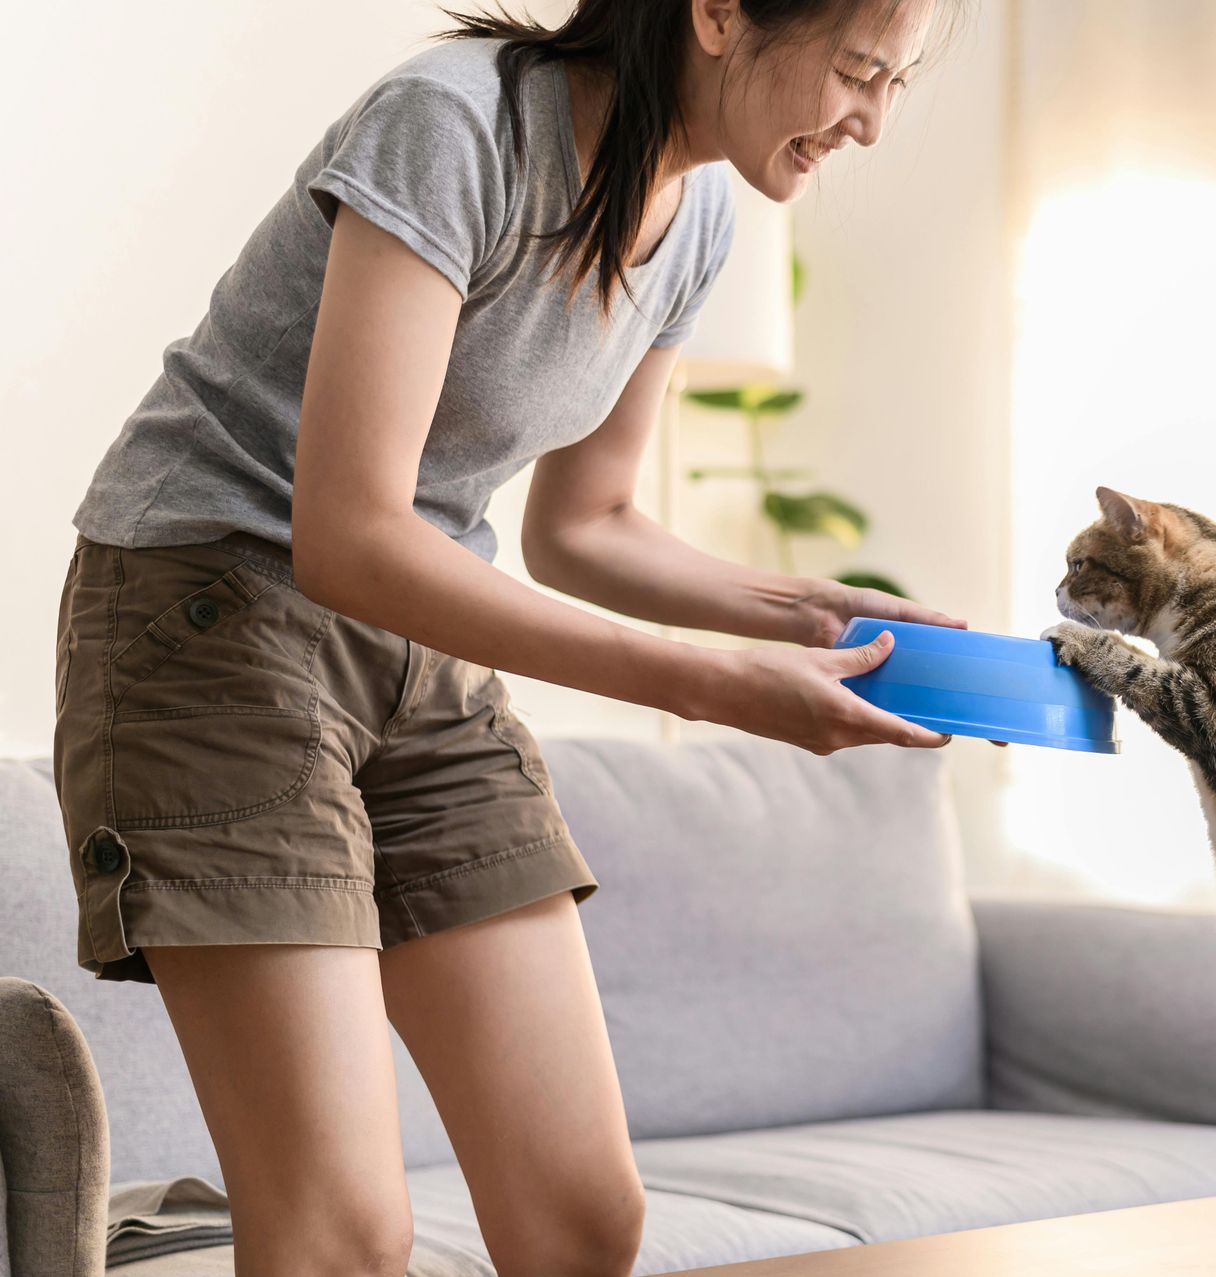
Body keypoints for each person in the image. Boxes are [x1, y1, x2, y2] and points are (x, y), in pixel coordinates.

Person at [49, 1, 961, 1273]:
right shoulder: (456, 120)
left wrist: (807, 614)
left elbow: (584, 524)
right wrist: (712, 681)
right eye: (862, 70)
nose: (871, 120)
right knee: (342, 1234)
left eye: (898, 85)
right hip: (207, 614)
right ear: (715, 14)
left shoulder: (699, 216)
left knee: (583, 1217)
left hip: (415, 648)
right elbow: (350, 532)